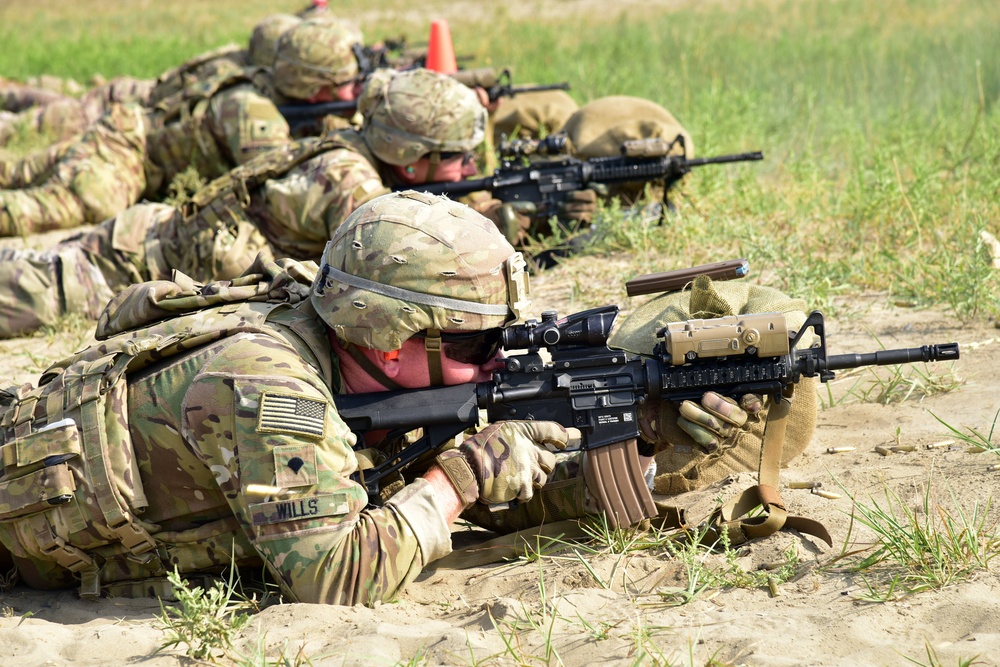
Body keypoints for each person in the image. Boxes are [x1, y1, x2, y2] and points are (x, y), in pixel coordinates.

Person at [0, 188, 781, 605]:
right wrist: (462, 476)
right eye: (476, 342)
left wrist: (646, 444)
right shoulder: (269, 383)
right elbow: (337, 574)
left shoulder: (353, 354)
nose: (496, 358)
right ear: (384, 336)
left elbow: (495, 493)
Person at [0, 67, 489, 339]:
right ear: (407, 159)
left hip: (148, 239)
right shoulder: (350, 184)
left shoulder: (349, 149)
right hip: (120, 270)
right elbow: (405, 277)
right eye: (459, 157)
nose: (469, 168)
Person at [0, 15, 365, 238]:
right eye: (346, 82)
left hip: (127, 134)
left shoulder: (277, 93)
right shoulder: (254, 112)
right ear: (314, 86)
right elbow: (278, 184)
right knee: (47, 208)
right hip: (128, 155)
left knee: (16, 172)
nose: (354, 89)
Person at [0, 13, 303, 147]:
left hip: (132, 95)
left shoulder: (232, 58)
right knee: (25, 126)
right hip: (128, 107)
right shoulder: (233, 78)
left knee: (49, 104)